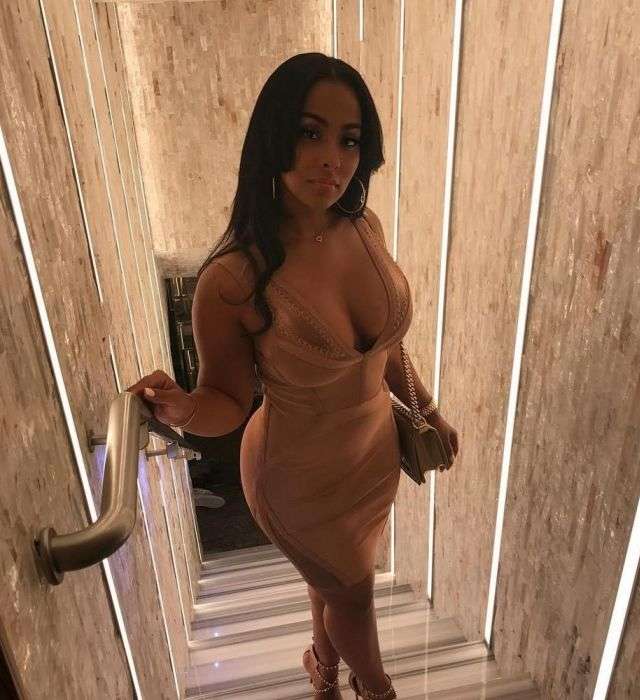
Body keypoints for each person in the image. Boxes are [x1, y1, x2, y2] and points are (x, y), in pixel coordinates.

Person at [127, 52, 459, 700]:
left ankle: (324, 678)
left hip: (372, 457)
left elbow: (386, 346)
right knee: (353, 595)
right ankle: (377, 691)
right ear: (273, 136)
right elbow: (228, 400)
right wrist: (181, 408)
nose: (332, 159)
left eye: (349, 139)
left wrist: (429, 411)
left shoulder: (365, 226)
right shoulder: (232, 277)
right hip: (296, 476)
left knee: (332, 581)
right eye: (310, 132)